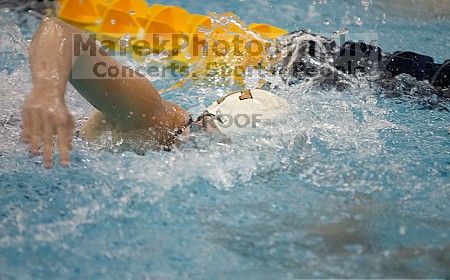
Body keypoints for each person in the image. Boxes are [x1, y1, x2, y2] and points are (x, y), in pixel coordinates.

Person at [21, 17, 449, 168]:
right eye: (204, 128)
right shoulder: (151, 117)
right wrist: (46, 89)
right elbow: (59, 32)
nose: (198, 142)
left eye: (215, 141)